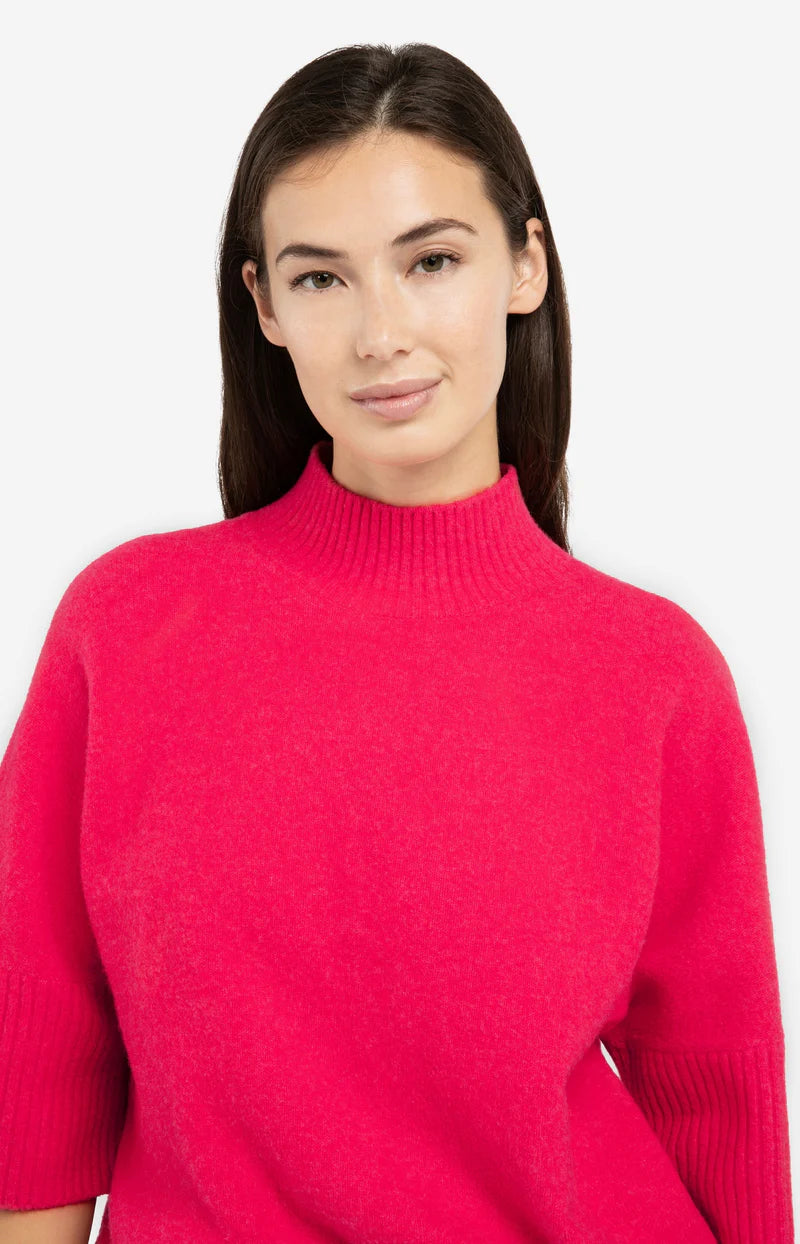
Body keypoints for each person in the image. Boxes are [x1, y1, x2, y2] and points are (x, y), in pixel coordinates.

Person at [0, 40, 793, 1244]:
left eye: (430, 260)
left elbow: (714, 1085)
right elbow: (36, 1043)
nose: (381, 332)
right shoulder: (127, 628)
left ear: (524, 265)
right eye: (322, 277)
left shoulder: (654, 671)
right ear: (264, 304)